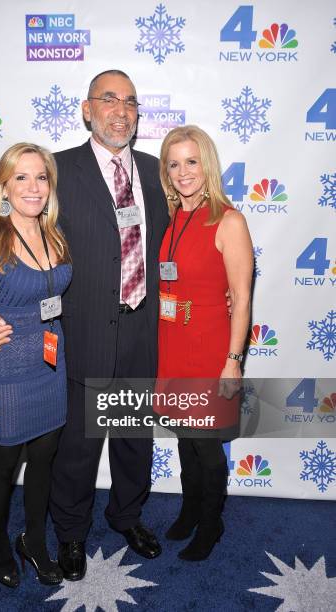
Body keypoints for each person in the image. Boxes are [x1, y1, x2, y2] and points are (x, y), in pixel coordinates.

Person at [0, 70, 170, 579]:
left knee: (132, 443)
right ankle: (70, 535)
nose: (120, 110)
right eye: (109, 99)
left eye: (130, 101)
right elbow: (14, 235)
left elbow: (180, 242)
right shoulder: (57, 170)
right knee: (76, 454)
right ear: (88, 110)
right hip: (80, 334)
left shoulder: (155, 173)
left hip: (139, 333)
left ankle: (127, 517)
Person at [0, 143, 72, 587]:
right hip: (5, 376)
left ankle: (34, 540)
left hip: (51, 368)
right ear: (3, 186)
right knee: (4, 468)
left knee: (43, 463)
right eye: (21, 177)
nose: (33, 187)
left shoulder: (55, 235)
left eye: (41, 177)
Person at [156, 125, 253, 561]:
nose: (183, 172)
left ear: (207, 164)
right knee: (184, 438)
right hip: (173, 345)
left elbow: (243, 298)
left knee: (206, 443)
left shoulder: (229, 220)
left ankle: (212, 522)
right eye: (174, 164)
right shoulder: (172, 217)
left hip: (211, 348)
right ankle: (191, 508)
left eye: (191, 161)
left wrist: (233, 361)